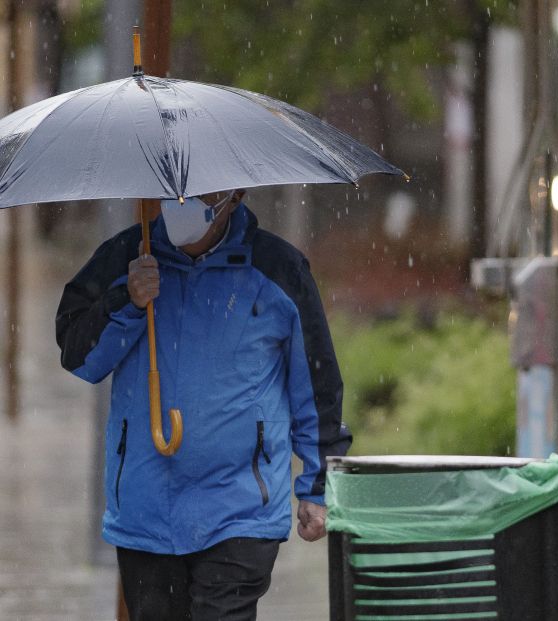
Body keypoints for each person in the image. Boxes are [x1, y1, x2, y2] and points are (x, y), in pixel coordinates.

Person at [55, 189, 352, 621]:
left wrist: (319, 487)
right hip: (145, 510)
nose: (185, 199)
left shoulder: (278, 269)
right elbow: (79, 356)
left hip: (240, 510)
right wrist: (127, 301)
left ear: (236, 194)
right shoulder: (123, 257)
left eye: (203, 190)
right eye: (174, 187)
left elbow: (317, 386)